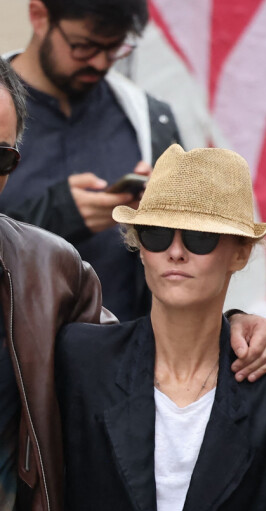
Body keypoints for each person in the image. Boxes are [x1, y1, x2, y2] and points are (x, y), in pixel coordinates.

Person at [0, 57, 266, 511]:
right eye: (158, 234)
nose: (176, 252)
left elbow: (140, 355)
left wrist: (233, 325)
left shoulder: (46, 273)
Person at [54, 145, 266, 511]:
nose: (176, 252)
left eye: (199, 237)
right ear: (140, 247)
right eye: (157, 234)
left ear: (240, 253)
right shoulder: (80, 360)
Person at [1, 0, 180, 320]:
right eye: (84, 47)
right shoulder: (4, 111)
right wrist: (57, 215)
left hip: (125, 352)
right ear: (39, 16)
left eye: (114, 49)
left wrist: (162, 217)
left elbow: (194, 255)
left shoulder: (149, 121)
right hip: (13, 356)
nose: (99, 63)